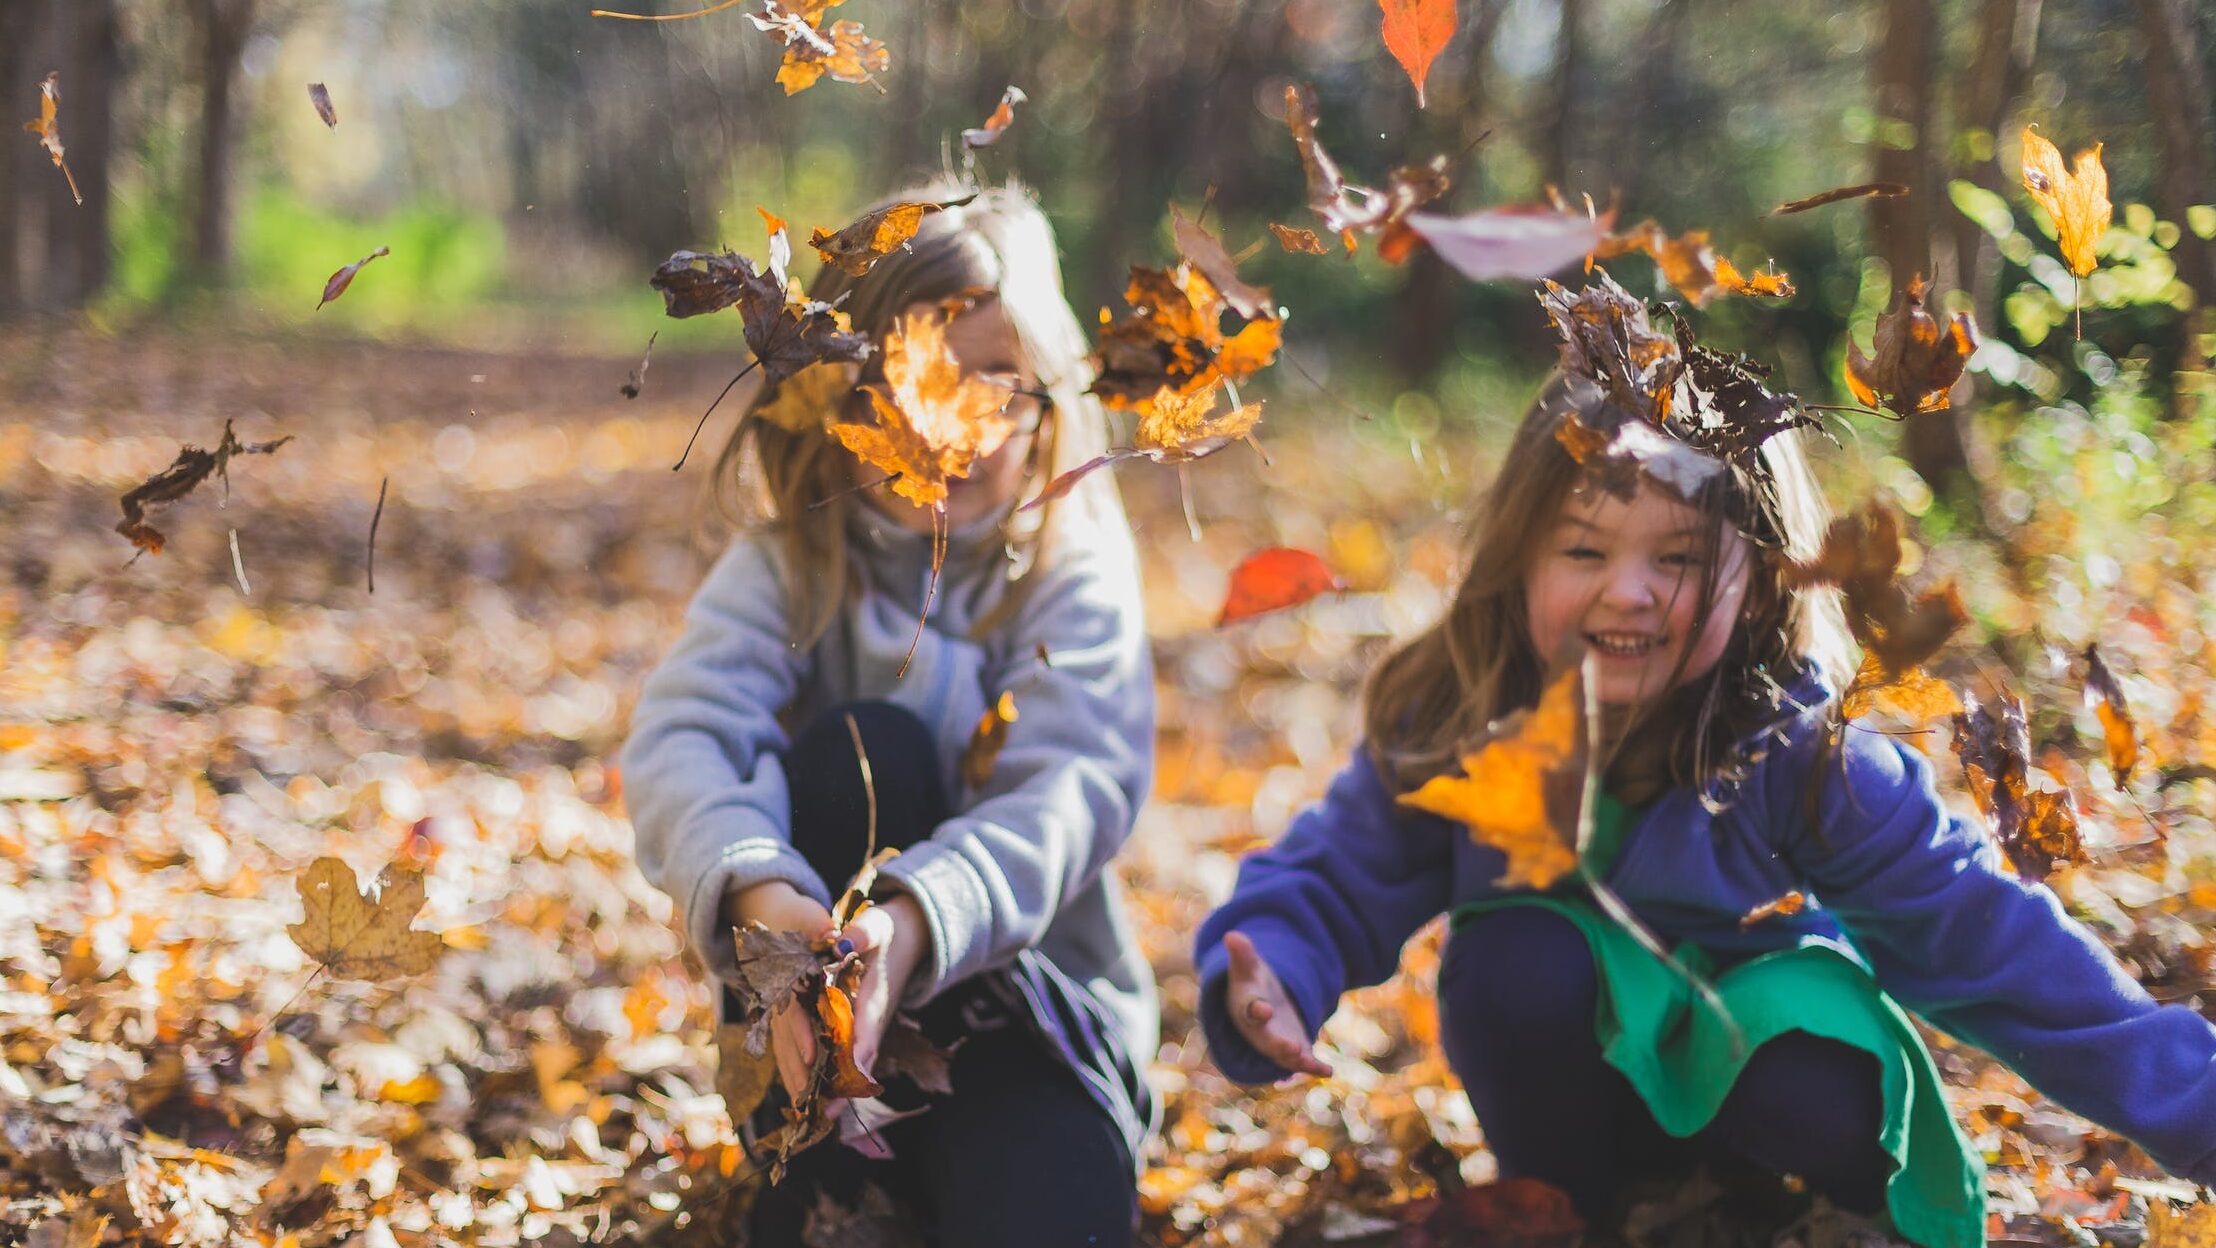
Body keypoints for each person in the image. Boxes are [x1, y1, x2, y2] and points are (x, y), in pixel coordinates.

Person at [1193, 373, 2216, 1248]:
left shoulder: (1805, 757)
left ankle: (1793, 1212)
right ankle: (1577, 1209)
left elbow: (1990, 945)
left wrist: (2196, 1111)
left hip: (1773, 1087)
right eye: (1583, 551)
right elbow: (1335, 871)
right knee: (1513, 960)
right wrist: (1278, 967)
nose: (1626, 592)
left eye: (1676, 559)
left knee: (1796, 1046)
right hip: (1573, 1095)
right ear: (1519, 561)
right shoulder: (1465, 716)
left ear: (1763, 581)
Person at [623, 179, 1155, 1246]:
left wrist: (911, 925)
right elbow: (685, 735)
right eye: (903, 383)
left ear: (1045, 395)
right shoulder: (787, 568)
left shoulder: (1067, 575)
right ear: (827, 396)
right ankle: (825, 1166)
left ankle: (1000, 1159)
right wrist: (761, 895)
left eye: (990, 389)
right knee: (864, 749)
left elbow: (1070, 791)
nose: (944, 428)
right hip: (813, 1055)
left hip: (1029, 1028)